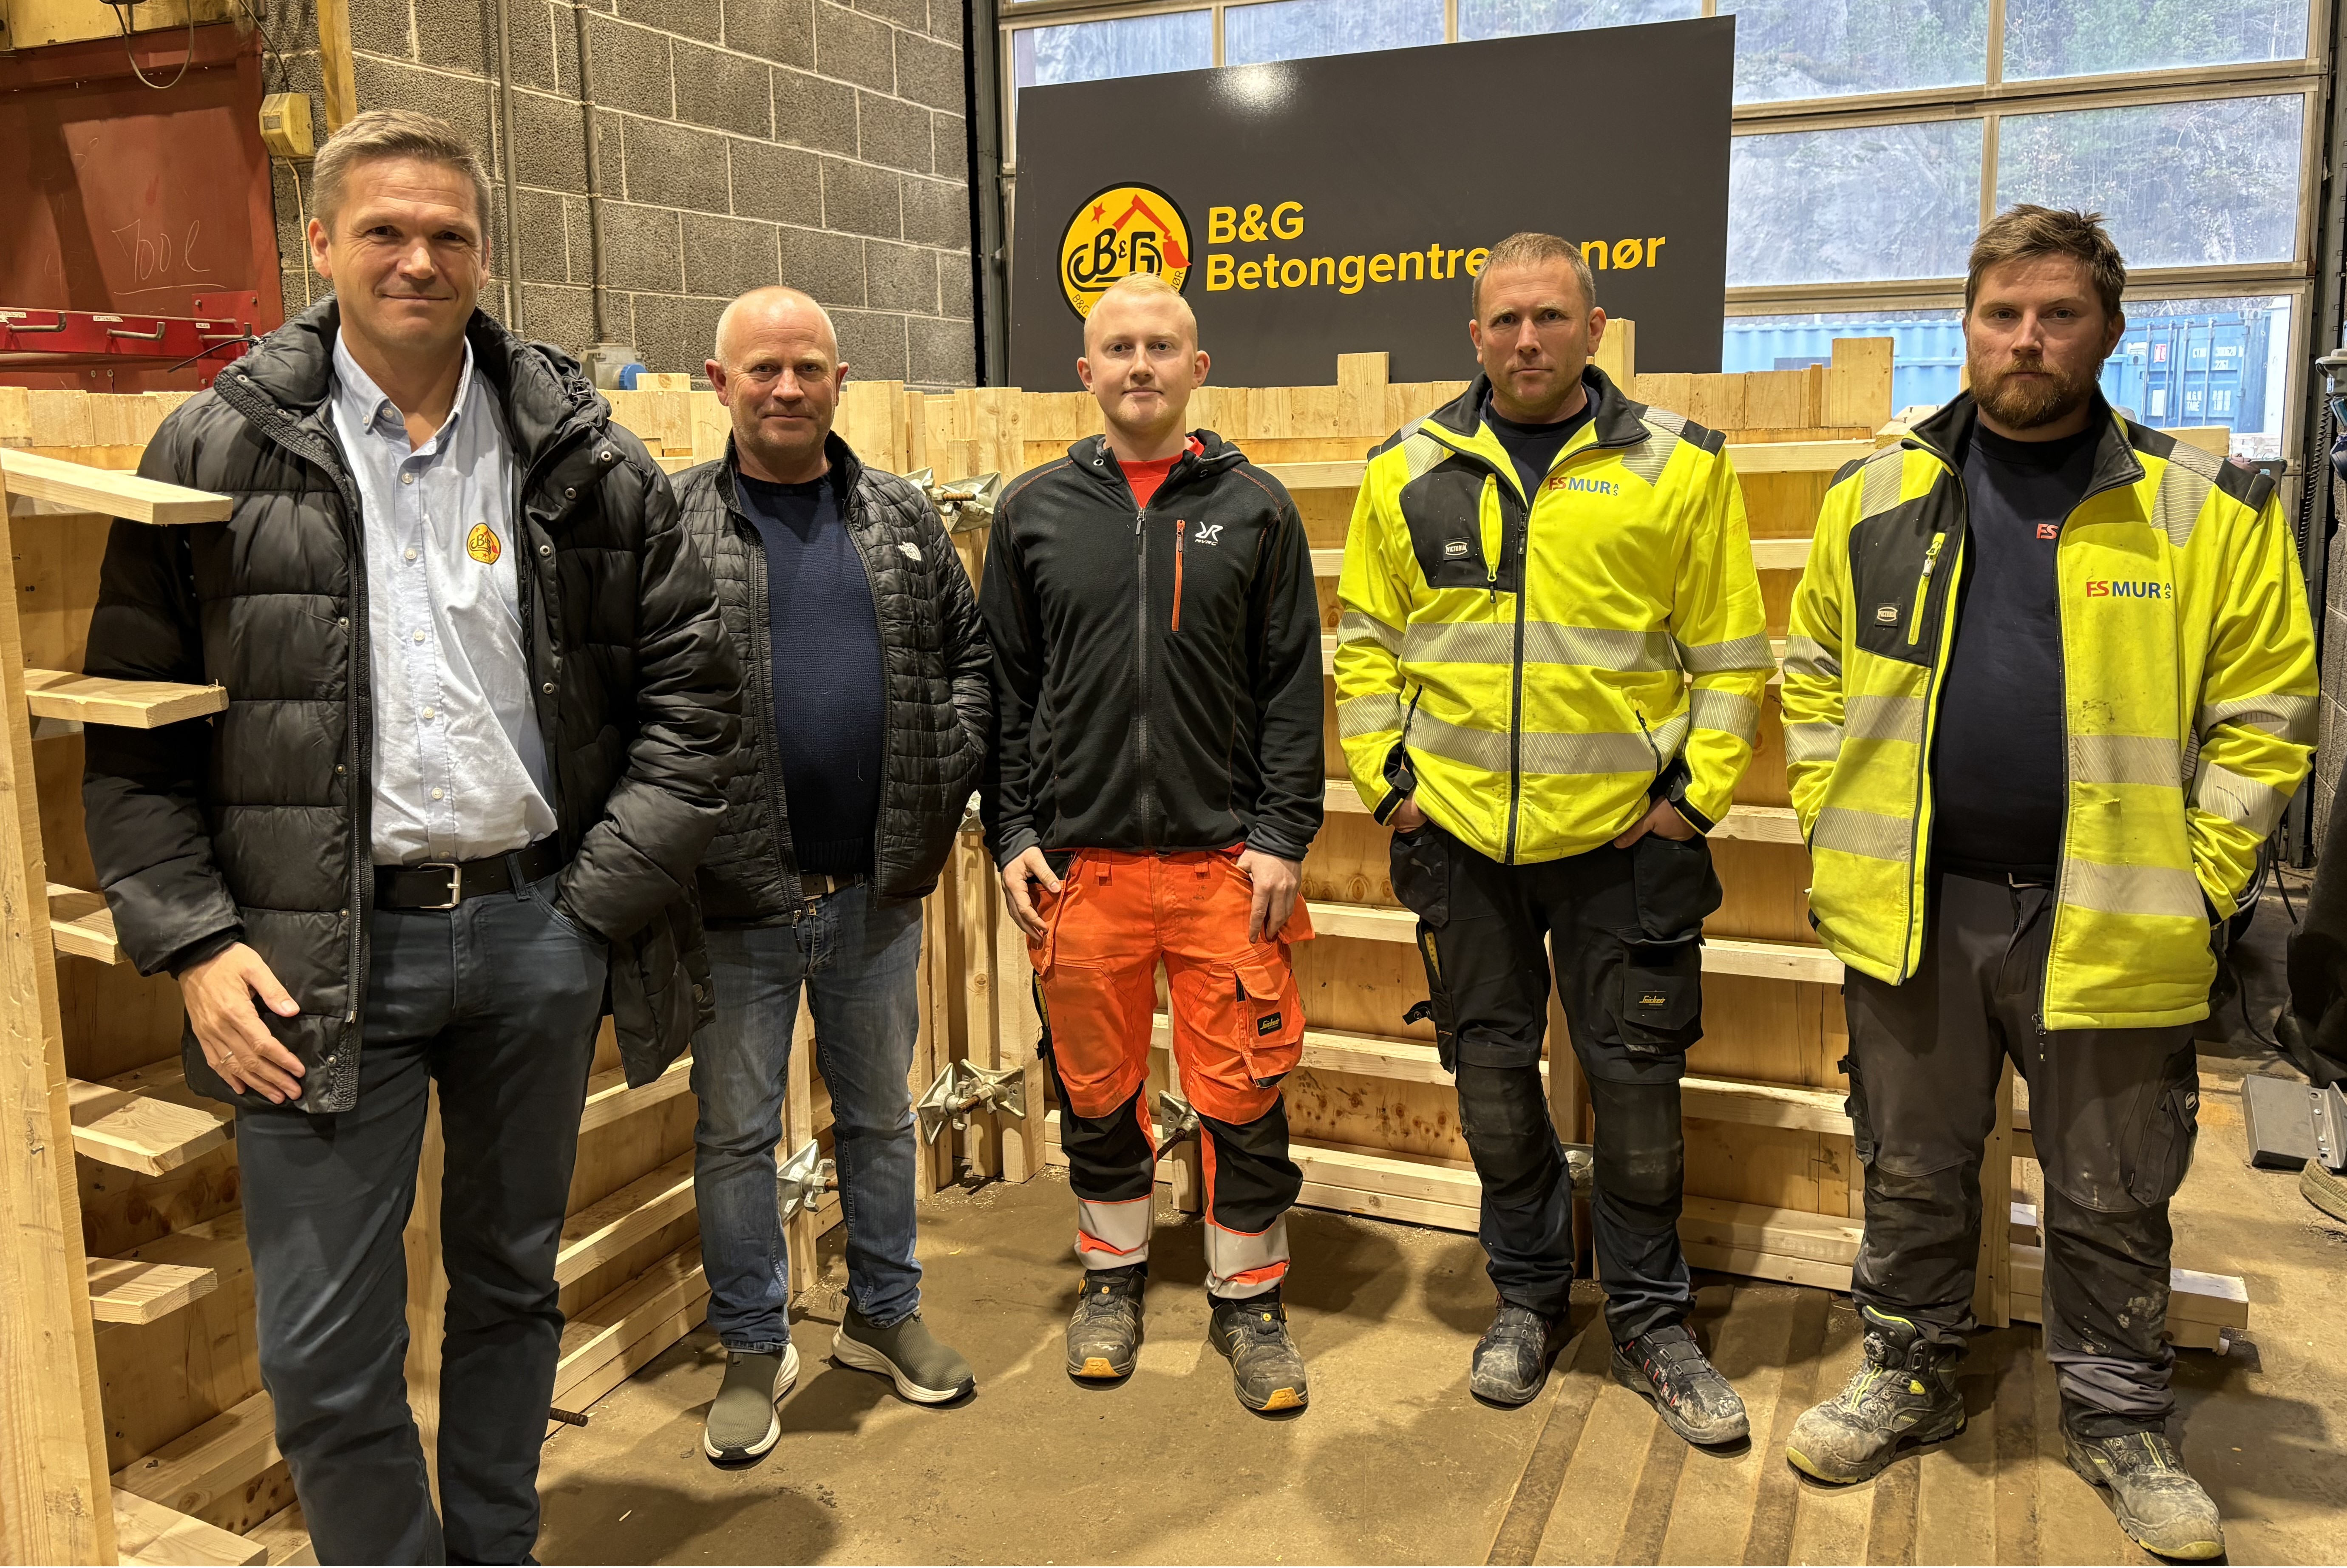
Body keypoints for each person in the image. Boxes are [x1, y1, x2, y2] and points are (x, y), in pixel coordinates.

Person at [79, 111, 737, 1563]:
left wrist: (587, 911)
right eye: (383, 230)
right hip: (311, 961)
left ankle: (494, 1547)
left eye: (449, 234)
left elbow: (694, 701)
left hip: (532, 932)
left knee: (509, 1289)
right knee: (322, 1352)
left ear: (484, 254)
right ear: (319, 244)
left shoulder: (582, 452)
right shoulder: (216, 446)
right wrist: (193, 943)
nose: (418, 260)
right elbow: (134, 736)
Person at [1779, 206, 2314, 1560]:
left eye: (2057, 314)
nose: (2026, 339)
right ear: (1965, 327)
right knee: (1910, 1160)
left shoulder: (2204, 508)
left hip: (2116, 913)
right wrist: (1830, 816)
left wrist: (2198, 880)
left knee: (2111, 1180)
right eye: (2001, 313)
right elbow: (1814, 675)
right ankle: (1907, 1371)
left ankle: (2118, 1415)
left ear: (2108, 332)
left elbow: (2267, 712)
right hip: (1917, 906)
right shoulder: (1873, 495)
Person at [1334, 231, 1769, 1441]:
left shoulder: (1680, 465)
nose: (1527, 339)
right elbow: (1366, 649)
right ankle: (1525, 1297)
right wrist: (1390, 786)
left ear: (1594, 329)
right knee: (1490, 1089)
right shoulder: (1405, 470)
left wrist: (1691, 800)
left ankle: (1650, 1320)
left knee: (1637, 1096)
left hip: (1626, 847)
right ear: (1474, 335)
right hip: (1459, 845)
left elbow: (1732, 657)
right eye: (1505, 320)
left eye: (1551, 317)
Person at [981, 270, 1324, 1413]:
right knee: (1096, 1092)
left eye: (1161, 346)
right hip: (1083, 870)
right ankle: (1110, 1281)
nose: (1140, 365)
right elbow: (1005, 692)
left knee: (1243, 1096)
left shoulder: (1257, 508)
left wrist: (1283, 834)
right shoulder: (1032, 511)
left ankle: (1251, 1302)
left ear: (1196, 367)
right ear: (1086, 372)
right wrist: (1012, 829)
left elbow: (1291, 686)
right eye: (1119, 348)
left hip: (1227, 866)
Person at [678, 286, 989, 1465]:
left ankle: (882, 1312)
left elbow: (967, 660)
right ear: (720, 383)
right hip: (736, 900)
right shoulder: (676, 522)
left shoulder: (900, 515)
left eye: (808, 367)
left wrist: (945, 767)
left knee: (878, 1117)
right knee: (734, 1135)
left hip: (872, 894)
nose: (787, 387)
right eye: (762, 369)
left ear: (839, 380)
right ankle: (754, 1342)